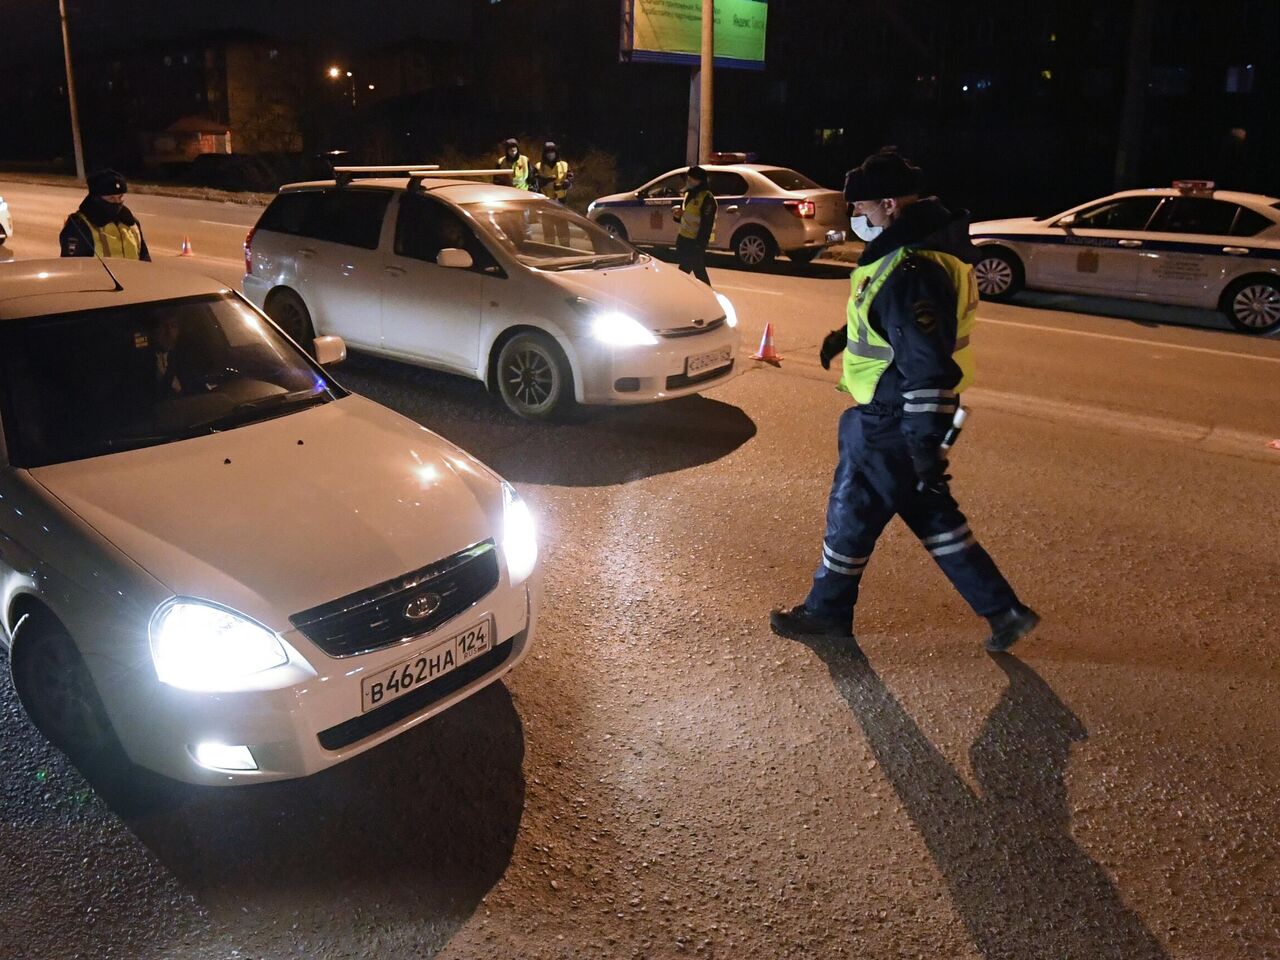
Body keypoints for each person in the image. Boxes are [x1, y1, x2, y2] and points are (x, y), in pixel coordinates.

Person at [769, 149, 1040, 654]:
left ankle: (826, 612)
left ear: (890, 204)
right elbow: (892, 327)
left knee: (851, 516)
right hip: (897, 417)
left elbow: (926, 364)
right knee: (934, 517)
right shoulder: (919, 251)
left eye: (864, 209)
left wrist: (921, 442)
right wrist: (841, 338)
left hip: (889, 420)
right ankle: (1004, 610)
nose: (858, 219)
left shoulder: (912, 267)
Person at [60, 169, 151, 261]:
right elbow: (74, 266)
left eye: (120, 197)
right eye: (111, 198)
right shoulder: (79, 226)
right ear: (96, 198)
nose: (117, 202)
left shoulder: (131, 223)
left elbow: (145, 260)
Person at [673, 165, 716, 286]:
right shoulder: (689, 194)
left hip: (695, 243)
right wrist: (678, 216)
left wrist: (699, 245)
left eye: (691, 179)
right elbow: (689, 217)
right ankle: (709, 297)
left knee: (683, 273)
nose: (689, 181)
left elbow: (706, 225)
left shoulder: (707, 198)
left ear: (699, 180)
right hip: (684, 240)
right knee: (698, 272)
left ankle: (708, 298)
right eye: (688, 179)